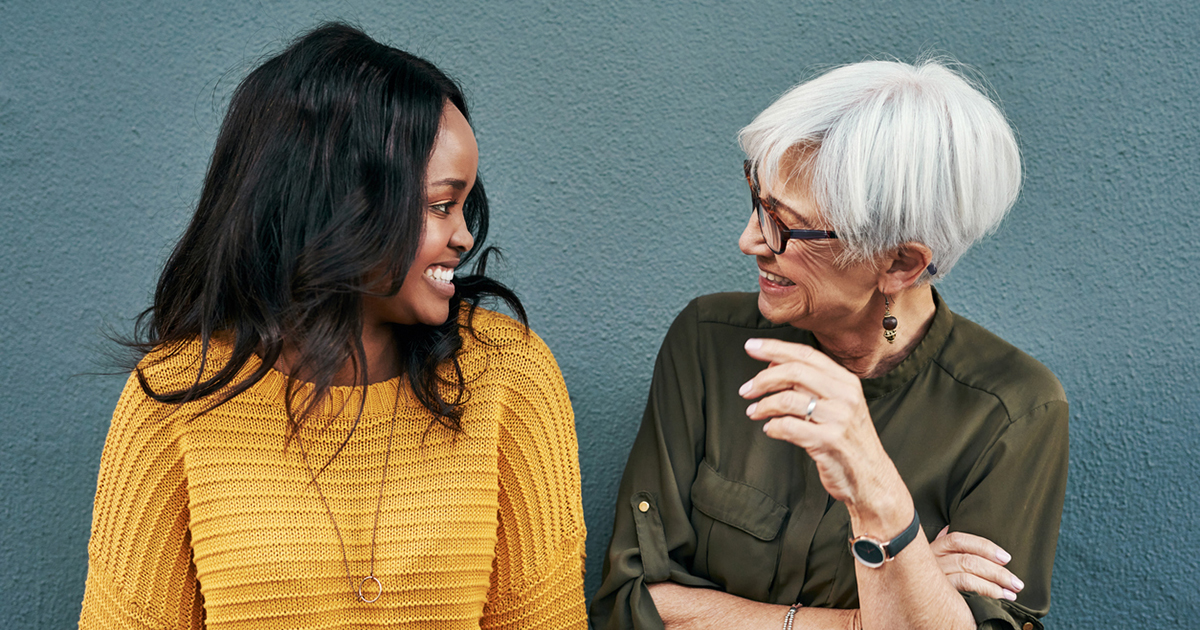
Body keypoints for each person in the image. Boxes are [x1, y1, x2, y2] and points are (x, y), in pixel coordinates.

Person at [79, 24, 587, 629]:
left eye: (463, 204)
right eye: (438, 205)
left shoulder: (508, 372)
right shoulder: (176, 393)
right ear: (339, 203)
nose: (464, 236)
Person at [591, 59, 1068, 630]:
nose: (749, 241)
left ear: (900, 262)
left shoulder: (1012, 414)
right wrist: (867, 614)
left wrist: (878, 493)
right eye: (757, 200)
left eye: (785, 226)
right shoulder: (709, 343)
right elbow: (633, 604)